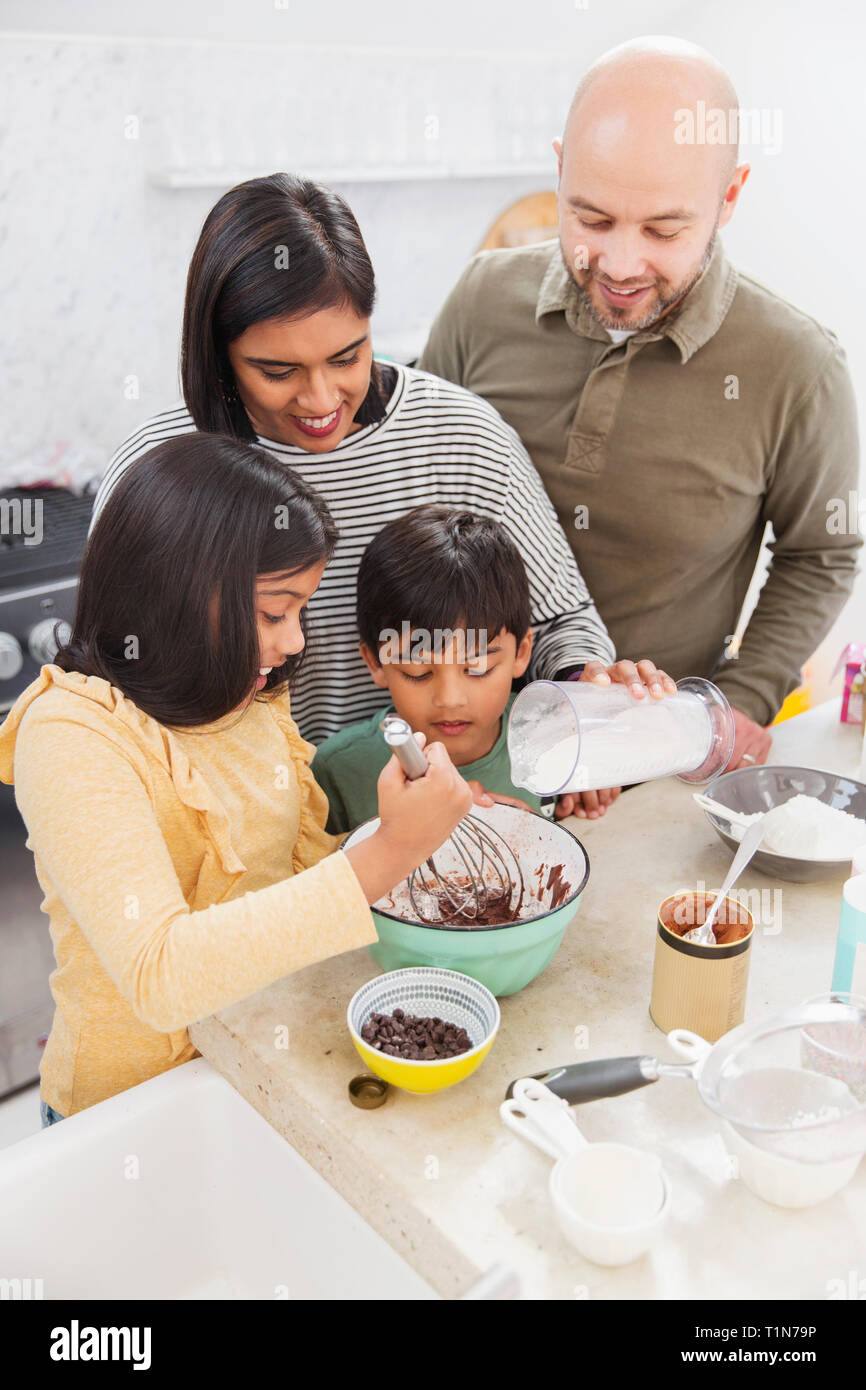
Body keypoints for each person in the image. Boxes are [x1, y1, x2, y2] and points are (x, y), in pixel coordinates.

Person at [89, 174, 624, 825]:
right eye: (277, 371)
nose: (320, 401)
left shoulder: (463, 438)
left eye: (347, 356)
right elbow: (112, 689)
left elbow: (563, 624)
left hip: (449, 816)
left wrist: (583, 703)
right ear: (219, 354)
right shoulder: (160, 472)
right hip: (238, 838)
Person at [418, 37, 861, 771]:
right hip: (460, 745)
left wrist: (740, 703)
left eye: (663, 230)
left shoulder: (799, 365)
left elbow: (822, 554)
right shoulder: (481, 300)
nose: (621, 266)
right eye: (591, 220)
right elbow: (419, 494)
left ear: (729, 197)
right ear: (559, 170)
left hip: (650, 758)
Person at [0, 436, 472, 1121]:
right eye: (274, 612)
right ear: (177, 594)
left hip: (257, 1067)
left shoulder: (245, 697)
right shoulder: (73, 735)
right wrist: (387, 853)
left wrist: (403, 840)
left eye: (299, 610)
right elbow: (159, 973)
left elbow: (283, 885)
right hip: (130, 1114)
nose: (295, 641)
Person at [312, 505, 675, 831]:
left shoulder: (559, 739)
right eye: (418, 673)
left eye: (479, 668)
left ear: (522, 653)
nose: (450, 699)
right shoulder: (337, 774)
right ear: (375, 663)